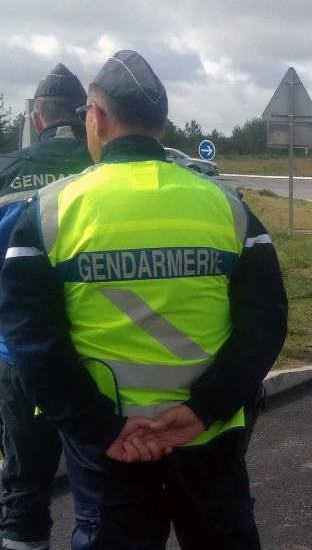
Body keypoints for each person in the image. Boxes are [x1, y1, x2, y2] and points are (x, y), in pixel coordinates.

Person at [0, 50, 288, 549]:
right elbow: (265, 322)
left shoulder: (49, 213)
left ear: (96, 116)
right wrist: (204, 409)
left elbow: (32, 342)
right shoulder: (229, 209)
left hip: (109, 447)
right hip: (208, 435)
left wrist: (101, 427)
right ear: (162, 124)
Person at [0, 63, 94, 550]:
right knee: (103, 492)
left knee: (24, 492)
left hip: (21, 359)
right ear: (85, 117)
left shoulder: (6, 173)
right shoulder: (104, 168)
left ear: (37, 119)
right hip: (99, 356)